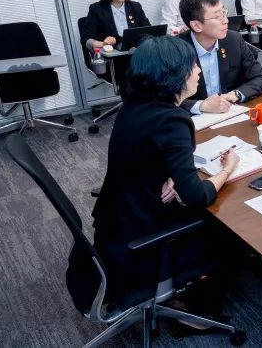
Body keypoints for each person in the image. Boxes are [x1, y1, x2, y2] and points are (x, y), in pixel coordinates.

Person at [91, 35, 240, 315]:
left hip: (117, 225)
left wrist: (172, 172)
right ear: (173, 75)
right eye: (191, 66)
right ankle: (195, 313)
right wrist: (227, 169)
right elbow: (196, 197)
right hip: (142, 241)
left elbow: (148, 151)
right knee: (230, 230)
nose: (198, 70)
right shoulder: (171, 121)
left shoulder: (135, 103)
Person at [178, 0, 262, 114]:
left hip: (230, 113)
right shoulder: (176, 50)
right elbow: (163, 98)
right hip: (193, 119)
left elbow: (260, 78)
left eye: (224, 13)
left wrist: (236, 94)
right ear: (196, 26)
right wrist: (201, 106)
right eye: (218, 16)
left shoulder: (234, 40)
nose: (226, 20)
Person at [83, 0, 150, 51]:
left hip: (137, 52)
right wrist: (104, 44)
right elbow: (86, 39)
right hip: (112, 55)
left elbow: (149, 32)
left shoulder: (135, 7)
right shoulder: (96, 9)